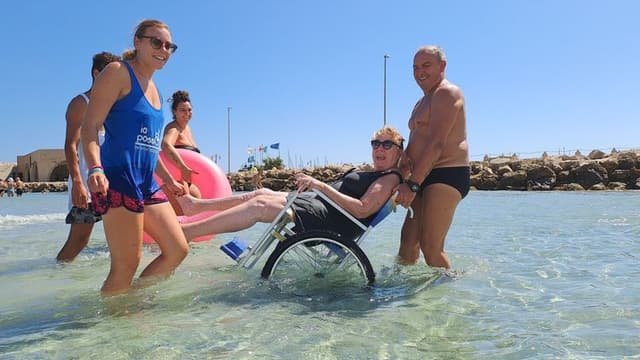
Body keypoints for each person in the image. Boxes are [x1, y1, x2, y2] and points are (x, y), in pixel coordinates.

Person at [81, 19, 188, 296]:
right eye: (156, 42)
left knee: (177, 249)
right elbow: (90, 126)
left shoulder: (156, 90)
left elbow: (151, 148)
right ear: (138, 42)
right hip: (118, 178)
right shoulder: (117, 72)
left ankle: (131, 303)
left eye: (169, 46)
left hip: (146, 183)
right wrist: (94, 167)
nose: (163, 50)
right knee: (127, 263)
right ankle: (113, 324)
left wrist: (167, 181)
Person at [177, 126, 404, 242]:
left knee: (259, 206)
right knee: (261, 193)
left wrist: (320, 186)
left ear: (398, 151)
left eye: (387, 145)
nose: (379, 149)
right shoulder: (376, 173)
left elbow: (362, 209)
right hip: (320, 205)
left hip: (330, 218)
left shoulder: (389, 178)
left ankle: (187, 232)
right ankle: (197, 207)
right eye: (376, 143)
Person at [395, 45, 470, 269]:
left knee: (430, 247)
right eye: (415, 67)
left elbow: (436, 143)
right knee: (407, 244)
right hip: (420, 176)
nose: (420, 72)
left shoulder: (447, 93)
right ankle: (400, 297)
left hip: (446, 173)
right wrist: (395, 175)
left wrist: (413, 185)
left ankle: (449, 298)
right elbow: (413, 144)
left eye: (426, 65)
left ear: (442, 66)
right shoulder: (421, 102)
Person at [57, 51, 121, 263]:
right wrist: (77, 182)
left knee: (126, 236)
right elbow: (70, 145)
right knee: (80, 240)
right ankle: (56, 275)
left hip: (113, 183)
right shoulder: (80, 103)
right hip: (86, 181)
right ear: (96, 74)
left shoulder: (113, 107)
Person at [160, 90, 202, 215]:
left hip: (186, 182)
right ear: (174, 112)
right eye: (183, 110)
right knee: (183, 221)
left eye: (189, 110)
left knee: (195, 214)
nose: (187, 113)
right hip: (175, 182)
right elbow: (166, 145)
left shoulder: (187, 129)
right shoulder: (174, 128)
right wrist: (183, 167)